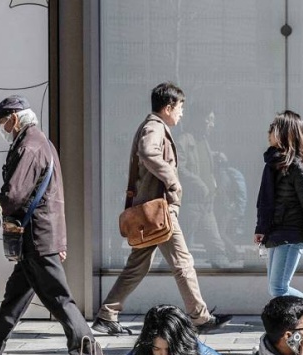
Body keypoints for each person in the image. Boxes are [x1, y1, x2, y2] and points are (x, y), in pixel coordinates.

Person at [91, 83, 231, 336]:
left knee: (139, 265)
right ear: (168, 107)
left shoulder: (155, 126)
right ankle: (199, 318)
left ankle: (106, 314)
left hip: (153, 211)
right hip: (157, 211)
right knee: (183, 262)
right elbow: (147, 152)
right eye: (180, 108)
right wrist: (172, 180)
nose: (181, 113)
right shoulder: (155, 127)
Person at [0, 95, 94, 355]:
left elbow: (14, 195)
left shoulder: (29, 146)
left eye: (3, 122)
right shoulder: (40, 142)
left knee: (60, 298)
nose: (3, 129)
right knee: (16, 296)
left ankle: (87, 352)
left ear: (15, 118)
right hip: (40, 235)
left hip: (36, 238)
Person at [254, 110, 303, 344]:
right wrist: (261, 229)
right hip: (276, 233)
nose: (269, 132)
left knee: (278, 287)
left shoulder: (297, 167)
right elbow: (265, 201)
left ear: (285, 133)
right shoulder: (273, 163)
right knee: (276, 287)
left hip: (292, 234)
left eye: (274, 127)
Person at [176, 107, 231, 268]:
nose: (212, 124)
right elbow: (179, 168)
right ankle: (163, 277)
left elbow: (200, 162)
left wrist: (215, 156)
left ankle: (224, 281)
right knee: (179, 248)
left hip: (206, 204)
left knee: (217, 247)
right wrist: (200, 185)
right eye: (209, 120)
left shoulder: (203, 141)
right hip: (190, 204)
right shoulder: (183, 140)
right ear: (197, 120)